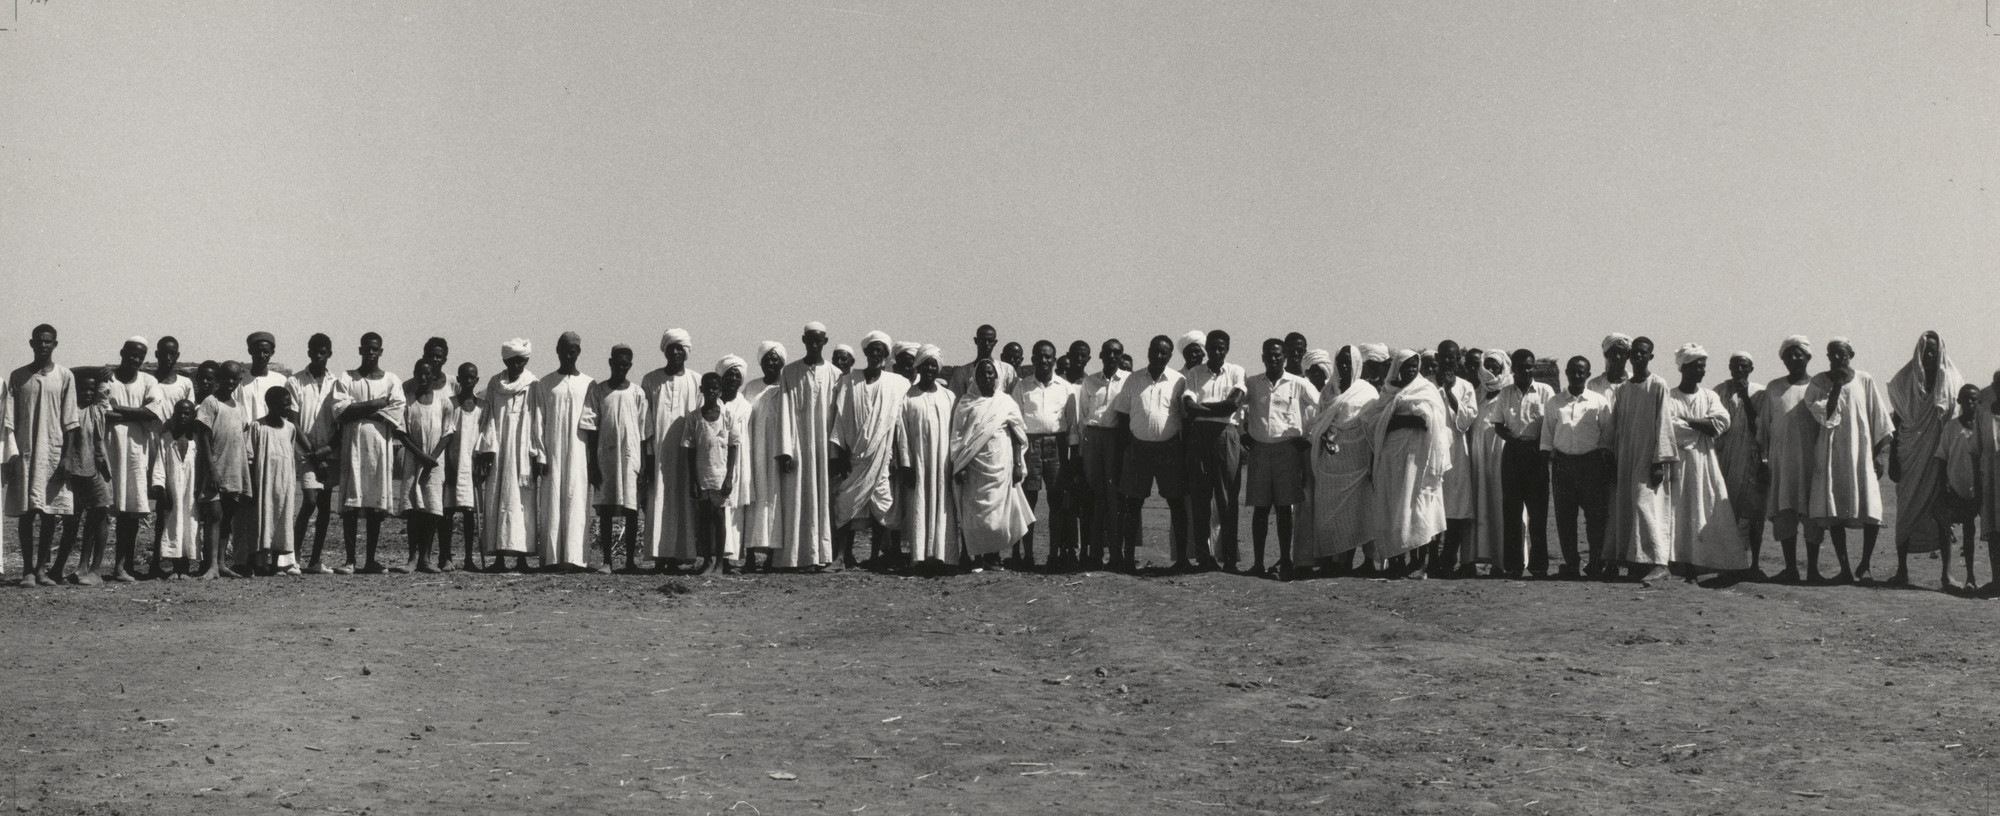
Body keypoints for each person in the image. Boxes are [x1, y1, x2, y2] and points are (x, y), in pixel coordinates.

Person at [1805, 338, 1893, 584]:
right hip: (1832, 454)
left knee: (1872, 509)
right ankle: (1844, 568)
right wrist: (1836, 385)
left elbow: (1879, 418)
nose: (1837, 358)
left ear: (1851, 354)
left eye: (1841, 354)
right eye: (1832, 354)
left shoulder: (1864, 379)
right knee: (1836, 510)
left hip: (1861, 454)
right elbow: (1825, 415)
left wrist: (1878, 455)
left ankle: (1865, 564)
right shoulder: (1819, 382)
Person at [1884, 331, 1965, 586]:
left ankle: (1947, 574)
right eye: (1925, 350)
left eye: (1934, 350)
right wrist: (1893, 458)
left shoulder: (1952, 381)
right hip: (1909, 455)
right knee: (1906, 510)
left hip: (1939, 457)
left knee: (1941, 511)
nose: (1929, 355)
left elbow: (1956, 424)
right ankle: (1902, 571)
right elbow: (1897, 421)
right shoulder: (1904, 380)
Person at [1663, 345, 1747, 580]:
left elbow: (1721, 423)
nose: (1702, 371)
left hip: (1703, 462)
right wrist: (1701, 425)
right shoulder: (1668, 397)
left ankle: (1704, 560)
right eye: (1697, 367)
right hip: (1677, 463)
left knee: (1703, 506)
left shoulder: (1710, 396)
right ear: (1684, 368)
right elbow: (1670, 428)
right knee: (1678, 509)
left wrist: (1687, 420)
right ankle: (1677, 560)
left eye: (1703, 367)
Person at [327, 333, 405, 575]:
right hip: (353, 447)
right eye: (367, 349)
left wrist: (356, 409)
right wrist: (376, 404)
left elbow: (396, 412)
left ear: (381, 351)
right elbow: (340, 411)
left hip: (379, 449)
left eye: (375, 349)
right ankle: (350, 560)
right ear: (360, 350)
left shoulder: (391, 379)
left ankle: (370, 559)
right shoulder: (347, 378)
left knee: (374, 504)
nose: (370, 353)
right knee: (351, 504)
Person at [830, 331, 909, 569]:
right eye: (872, 350)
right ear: (865, 352)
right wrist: (840, 454)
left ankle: (875, 556)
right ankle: (842, 556)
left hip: (882, 456)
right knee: (846, 503)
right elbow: (840, 420)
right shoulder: (848, 381)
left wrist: (897, 456)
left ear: (885, 355)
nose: (876, 354)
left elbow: (898, 424)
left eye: (880, 351)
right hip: (854, 456)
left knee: (881, 507)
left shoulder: (896, 384)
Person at [6, 324, 77, 586]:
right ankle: (27, 569)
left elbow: (71, 421)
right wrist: (11, 455)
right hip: (25, 452)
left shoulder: (64, 376)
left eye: (48, 341)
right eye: (39, 341)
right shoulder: (18, 377)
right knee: (27, 513)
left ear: (55, 344)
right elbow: (9, 420)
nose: (43, 345)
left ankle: (41, 570)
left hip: (52, 453)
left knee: (50, 513)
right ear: (32, 343)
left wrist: (67, 457)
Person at [1299, 346, 1381, 572]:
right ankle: (1334, 561)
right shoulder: (1329, 391)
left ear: (1357, 364)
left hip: (1358, 463)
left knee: (1361, 513)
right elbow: (1320, 422)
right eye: (1341, 362)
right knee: (1329, 514)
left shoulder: (1367, 392)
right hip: (1331, 464)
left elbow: (1372, 427)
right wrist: (1325, 437)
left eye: (1349, 362)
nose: (1344, 366)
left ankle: (1366, 563)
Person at [1242, 337, 1318, 578]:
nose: (1273, 359)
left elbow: (1322, 407)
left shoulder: (1298, 384)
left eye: (1278, 355)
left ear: (1284, 358)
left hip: (1288, 451)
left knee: (1285, 509)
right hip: (1259, 452)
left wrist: (1309, 436)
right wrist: (1242, 433)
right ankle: (1257, 563)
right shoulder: (1252, 383)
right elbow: (1236, 405)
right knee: (1261, 509)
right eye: (1269, 355)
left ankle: (1286, 560)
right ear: (1262, 357)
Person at [1605, 337, 1678, 586]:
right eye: (1634, 353)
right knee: (1628, 507)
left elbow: (1664, 422)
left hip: (1648, 457)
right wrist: (1612, 455)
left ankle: (1660, 563)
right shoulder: (1622, 390)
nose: (1638, 357)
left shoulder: (1658, 385)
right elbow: (1615, 425)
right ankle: (1637, 562)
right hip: (1626, 455)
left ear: (1650, 357)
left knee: (1644, 505)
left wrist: (1659, 460)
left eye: (1643, 353)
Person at [1114, 335, 1190, 572]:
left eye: (1163, 353)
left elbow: (1185, 417)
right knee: (1133, 504)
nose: (1158, 356)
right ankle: (1128, 558)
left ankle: (1182, 560)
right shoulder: (1133, 379)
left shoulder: (1179, 380)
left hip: (1169, 449)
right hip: (1138, 449)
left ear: (1170, 356)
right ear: (1148, 352)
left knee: (1176, 503)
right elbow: (1123, 415)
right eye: (1155, 351)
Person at [1370, 349, 1452, 570]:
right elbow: (1376, 423)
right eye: (1406, 366)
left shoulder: (1426, 390)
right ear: (1397, 368)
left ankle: (1419, 562)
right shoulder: (1388, 392)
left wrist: (1399, 418)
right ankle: (1396, 560)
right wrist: (1408, 420)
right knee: (1394, 506)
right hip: (1392, 457)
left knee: (1418, 506)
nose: (1411, 370)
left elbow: (1433, 421)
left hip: (1419, 457)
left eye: (1414, 367)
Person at [952, 358, 1034, 566]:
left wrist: (1017, 464)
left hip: (1001, 466)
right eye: (982, 373)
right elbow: (958, 436)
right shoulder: (966, 403)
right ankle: (975, 556)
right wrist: (960, 465)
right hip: (973, 467)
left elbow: (1018, 436)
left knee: (997, 515)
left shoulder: (1006, 402)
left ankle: (993, 556)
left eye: (990, 373)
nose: (987, 377)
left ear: (997, 376)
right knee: (975, 514)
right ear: (976, 378)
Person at [776, 322, 841, 571]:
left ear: (825, 342)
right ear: (803, 340)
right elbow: (784, 410)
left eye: (819, 340)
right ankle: (795, 557)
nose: (814, 344)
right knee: (797, 499)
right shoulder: (790, 372)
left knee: (824, 500)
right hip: (799, 447)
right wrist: (785, 450)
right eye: (810, 340)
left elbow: (839, 417)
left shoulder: (836, 374)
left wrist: (835, 451)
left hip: (824, 449)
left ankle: (822, 555)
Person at [1541, 356, 1613, 579]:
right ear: (1566, 373)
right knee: (1565, 518)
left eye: (1582, 372)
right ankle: (1571, 564)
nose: (1577, 375)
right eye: (1573, 371)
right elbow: (1547, 435)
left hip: (1591, 465)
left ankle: (1595, 563)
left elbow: (1607, 435)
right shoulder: (1555, 402)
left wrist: (1604, 466)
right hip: (1563, 465)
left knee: (1595, 518)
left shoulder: (1598, 401)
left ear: (1588, 374)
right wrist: (1545, 464)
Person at [1757, 336, 1820, 583]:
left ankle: (1813, 571)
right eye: (1788, 355)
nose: (1794, 359)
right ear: (1782, 359)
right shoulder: (1773, 388)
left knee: (1813, 515)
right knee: (1784, 513)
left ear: (1808, 357)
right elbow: (1764, 426)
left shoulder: (1818, 386)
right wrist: (1763, 459)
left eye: (1798, 354)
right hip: (1781, 463)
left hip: (1811, 463)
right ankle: (1791, 569)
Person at [1010, 339, 1077, 570]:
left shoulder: (1065, 388)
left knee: (1056, 502)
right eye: (1040, 356)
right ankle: (1027, 555)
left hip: (1057, 445)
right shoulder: (1022, 387)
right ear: (1033, 359)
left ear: (1055, 360)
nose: (1044, 360)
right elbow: (1015, 422)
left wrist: (1071, 457)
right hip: (1030, 445)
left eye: (1048, 357)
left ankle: (1053, 554)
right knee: (1028, 501)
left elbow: (1072, 424)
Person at [1182, 330, 1245, 571]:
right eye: (1213, 347)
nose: (1217, 352)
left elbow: (1233, 404)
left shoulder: (1236, 371)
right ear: (1206, 348)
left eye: (1221, 348)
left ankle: (1229, 558)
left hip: (1225, 434)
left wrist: (1203, 408)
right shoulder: (1194, 373)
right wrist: (1217, 409)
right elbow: (1188, 406)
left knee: (1227, 499)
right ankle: (1203, 557)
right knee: (1200, 498)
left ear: (1227, 349)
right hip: (1199, 436)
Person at [101, 338, 163, 583]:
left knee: (131, 512)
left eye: (140, 356)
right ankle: (93, 568)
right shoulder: (108, 378)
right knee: (103, 510)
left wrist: (118, 410)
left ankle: (122, 566)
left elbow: (151, 413)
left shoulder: (148, 381)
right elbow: (102, 412)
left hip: (136, 452)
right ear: (122, 353)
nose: (135, 359)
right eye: (131, 354)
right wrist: (136, 414)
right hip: (109, 450)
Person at [1489, 348, 1554, 578]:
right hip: (1512, 454)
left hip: (1537, 455)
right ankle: (1514, 566)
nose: (1526, 371)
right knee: (1512, 514)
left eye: (1529, 366)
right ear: (1513, 369)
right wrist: (1515, 441)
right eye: (1521, 367)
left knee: (1538, 514)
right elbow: (1498, 425)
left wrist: (1540, 451)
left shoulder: (1545, 391)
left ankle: (1539, 566)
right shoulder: (1505, 393)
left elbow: (1550, 425)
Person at [641, 330, 702, 571]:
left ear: (686, 351)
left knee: (684, 501)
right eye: (671, 347)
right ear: (664, 350)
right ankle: (659, 555)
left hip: (686, 454)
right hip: (658, 454)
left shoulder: (696, 380)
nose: (675, 352)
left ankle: (680, 555)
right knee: (658, 499)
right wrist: (648, 455)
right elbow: (645, 421)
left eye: (679, 347)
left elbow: (700, 421)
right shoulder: (650, 380)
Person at [583, 343, 647, 574]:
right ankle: (607, 562)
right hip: (606, 458)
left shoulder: (637, 393)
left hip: (631, 458)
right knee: (606, 510)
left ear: (630, 365)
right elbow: (591, 428)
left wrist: (644, 465)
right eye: (617, 363)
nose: (621, 367)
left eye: (625, 364)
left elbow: (644, 432)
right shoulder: (598, 391)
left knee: (631, 510)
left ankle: (629, 562)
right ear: (610, 362)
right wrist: (592, 463)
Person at [477, 339, 539, 572]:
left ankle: (522, 558)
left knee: (523, 504)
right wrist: (487, 449)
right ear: (505, 361)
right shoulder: (495, 384)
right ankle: (500, 558)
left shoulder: (533, 384)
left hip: (522, 453)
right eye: (513, 361)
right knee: (497, 501)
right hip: (499, 450)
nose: (517, 365)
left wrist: (536, 451)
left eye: (521, 361)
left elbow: (537, 420)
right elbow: (488, 418)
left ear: (526, 360)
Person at [536, 331, 595, 571]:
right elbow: (538, 421)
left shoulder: (589, 384)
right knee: (552, 501)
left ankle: (575, 558)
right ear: (557, 351)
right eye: (564, 351)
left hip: (579, 453)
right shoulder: (545, 383)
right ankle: (551, 558)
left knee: (576, 500)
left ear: (578, 352)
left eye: (572, 351)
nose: (568, 356)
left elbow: (592, 424)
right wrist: (540, 455)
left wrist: (592, 459)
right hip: (552, 453)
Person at [49, 367, 112, 585]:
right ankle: (58, 568)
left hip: (96, 470)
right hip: (73, 472)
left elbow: (103, 391)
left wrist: (101, 375)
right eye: (83, 389)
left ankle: (94, 569)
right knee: (71, 522)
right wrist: (89, 370)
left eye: (91, 389)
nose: (88, 393)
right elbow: (70, 374)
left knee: (100, 515)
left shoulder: (97, 409)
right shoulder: (69, 410)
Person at [898, 345, 956, 572]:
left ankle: (943, 556)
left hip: (943, 464)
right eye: (925, 364)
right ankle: (919, 557)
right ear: (918, 366)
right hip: (918, 463)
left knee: (943, 506)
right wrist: (906, 464)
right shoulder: (907, 397)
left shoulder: (948, 397)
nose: (930, 369)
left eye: (934, 364)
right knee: (919, 506)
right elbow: (902, 433)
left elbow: (955, 433)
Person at [1071, 339, 1128, 570]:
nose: (1112, 356)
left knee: (1114, 498)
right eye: (1108, 352)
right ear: (1101, 355)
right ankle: (1095, 554)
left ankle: (1115, 555)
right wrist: (1081, 449)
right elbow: (1083, 415)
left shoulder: (1128, 380)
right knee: (1096, 497)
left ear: (1121, 356)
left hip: (1115, 438)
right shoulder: (1090, 381)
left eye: (1116, 353)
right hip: (1092, 438)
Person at [289, 333, 342, 574]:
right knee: (309, 501)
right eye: (315, 352)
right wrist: (314, 454)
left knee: (324, 507)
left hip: (329, 451)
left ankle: (315, 560)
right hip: (306, 452)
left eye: (323, 352)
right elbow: (294, 421)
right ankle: (294, 556)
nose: (319, 356)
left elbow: (341, 421)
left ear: (329, 353)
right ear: (309, 352)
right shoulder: (295, 382)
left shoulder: (336, 382)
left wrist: (327, 450)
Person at [1713, 352, 1767, 576]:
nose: (1739, 371)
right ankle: (1727, 562)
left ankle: (1754, 564)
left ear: (1751, 369)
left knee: (1753, 513)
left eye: (1744, 367)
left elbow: (1759, 428)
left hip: (1750, 458)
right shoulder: (1719, 391)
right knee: (1725, 511)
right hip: (1723, 457)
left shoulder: (1760, 393)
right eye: (1735, 366)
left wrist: (1745, 397)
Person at [196, 361, 252, 579]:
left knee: (227, 517)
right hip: (215, 467)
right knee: (214, 515)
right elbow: (203, 436)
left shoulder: (239, 407)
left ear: (239, 380)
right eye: (226, 377)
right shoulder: (210, 402)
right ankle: (210, 565)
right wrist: (211, 469)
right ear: (219, 378)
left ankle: (221, 563)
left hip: (233, 468)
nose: (230, 382)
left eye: (234, 379)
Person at [738, 342, 790, 572]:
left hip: (778, 454)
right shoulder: (751, 387)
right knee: (753, 500)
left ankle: (771, 556)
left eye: (775, 359)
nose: (771, 363)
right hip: (754, 451)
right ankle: (749, 555)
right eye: (767, 359)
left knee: (776, 501)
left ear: (782, 362)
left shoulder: (788, 386)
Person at [397, 359, 451, 573]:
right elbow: (401, 432)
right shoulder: (408, 401)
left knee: (431, 511)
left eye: (428, 374)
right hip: (413, 460)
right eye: (420, 373)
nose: (424, 377)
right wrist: (420, 455)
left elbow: (448, 432)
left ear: (434, 376)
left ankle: (425, 558)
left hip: (434, 465)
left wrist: (432, 457)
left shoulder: (444, 401)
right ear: (414, 374)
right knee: (413, 511)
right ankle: (411, 558)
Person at [1432, 340, 1479, 576]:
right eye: (1444, 357)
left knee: (1456, 509)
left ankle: (1448, 559)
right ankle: (1431, 560)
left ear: (1458, 359)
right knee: (1430, 507)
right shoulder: (1425, 384)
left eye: (1452, 357)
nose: (1448, 361)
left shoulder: (1465, 387)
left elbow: (1466, 421)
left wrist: (1450, 392)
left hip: (1456, 453)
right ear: (1437, 358)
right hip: (1430, 453)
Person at [247, 386, 305, 573]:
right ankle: (260, 562)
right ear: (271, 405)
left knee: (282, 518)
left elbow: (290, 453)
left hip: (285, 482)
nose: (288, 408)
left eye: (289, 404)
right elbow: (250, 457)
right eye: (284, 404)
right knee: (263, 519)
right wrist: (252, 486)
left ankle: (276, 563)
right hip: (264, 481)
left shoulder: (290, 428)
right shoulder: (257, 426)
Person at [685, 372, 738, 573]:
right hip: (702, 474)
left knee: (719, 516)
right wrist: (693, 480)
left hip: (720, 475)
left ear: (720, 391)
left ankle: (720, 563)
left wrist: (729, 477)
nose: (711, 392)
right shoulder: (694, 417)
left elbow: (733, 446)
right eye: (708, 388)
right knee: (705, 518)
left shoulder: (727, 416)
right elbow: (690, 448)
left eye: (715, 388)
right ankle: (707, 561)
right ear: (702, 390)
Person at [1467, 348, 1513, 575]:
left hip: (1502, 456)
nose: (1492, 371)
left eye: (1496, 367)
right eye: (1488, 367)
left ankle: (1505, 561)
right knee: (1482, 504)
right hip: (1479, 457)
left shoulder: (1510, 392)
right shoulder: (1476, 394)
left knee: (1502, 505)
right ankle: (1484, 558)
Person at [1935, 383, 1982, 592]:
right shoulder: (1952, 428)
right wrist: (1942, 486)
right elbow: (1942, 458)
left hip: (1975, 490)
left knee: (1969, 531)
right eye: (1966, 398)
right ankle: (1946, 573)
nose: (1970, 402)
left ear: (1979, 402)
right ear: (1959, 401)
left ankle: (1970, 577)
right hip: (1953, 487)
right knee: (1945, 527)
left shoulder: (1982, 428)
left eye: (1974, 399)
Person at [439, 362, 485, 572]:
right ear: (458, 379)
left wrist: (480, 467)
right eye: (464, 377)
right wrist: (447, 467)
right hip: (451, 464)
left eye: (471, 377)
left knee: (469, 514)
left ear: (477, 380)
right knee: (447, 512)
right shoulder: (450, 404)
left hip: (471, 468)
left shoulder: (482, 407)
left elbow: (484, 437)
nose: (468, 381)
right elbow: (445, 435)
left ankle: (468, 558)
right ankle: (445, 556)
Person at [149, 400, 201, 579]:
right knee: (173, 525)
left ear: (193, 416)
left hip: (191, 490)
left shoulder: (196, 440)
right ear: (173, 415)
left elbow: (200, 466)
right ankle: (174, 567)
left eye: (187, 413)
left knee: (189, 525)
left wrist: (199, 489)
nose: (183, 416)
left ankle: (185, 567)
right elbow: (159, 465)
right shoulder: (166, 439)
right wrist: (161, 488)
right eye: (179, 413)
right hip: (172, 490)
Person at [713, 355, 754, 571]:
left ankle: (731, 558)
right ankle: (716, 557)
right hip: (716, 462)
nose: (734, 379)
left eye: (737, 375)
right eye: (729, 374)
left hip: (740, 462)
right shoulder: (713, 404)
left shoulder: (746, 406)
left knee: (736, 511)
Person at [1974, 372, 2000, 594]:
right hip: (1990, 480)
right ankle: (1996, 580)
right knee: (1993, 529)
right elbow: (1976, 448)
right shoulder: (1984, 412)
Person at [948, 324, 1019, 404]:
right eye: (982, 340)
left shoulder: (1007, 370)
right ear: (976, 341)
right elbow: (955, 403)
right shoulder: (961, 373)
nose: (986, 344)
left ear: (995, 342)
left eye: (990, 341)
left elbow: (1015, 400)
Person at [1588, 334, 1632, 407]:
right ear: (1606, 355)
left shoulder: (1636, 383)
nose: (1617, 357)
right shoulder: (1594, 385)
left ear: (1627, 356)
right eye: (1613, 352)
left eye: (1621, 353)